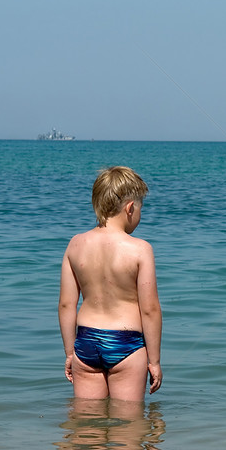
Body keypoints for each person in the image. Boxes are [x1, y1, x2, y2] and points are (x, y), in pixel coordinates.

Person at [59, 166, 163, 401]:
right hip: (126, 344)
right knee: (128, 426)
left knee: (86, 427)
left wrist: (69, 353)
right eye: (140, 209)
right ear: (129, 208)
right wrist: (154, 361)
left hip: (85, 344)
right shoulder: (140, 249)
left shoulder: (75, 244)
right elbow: (150, 309)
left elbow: (66, 305)